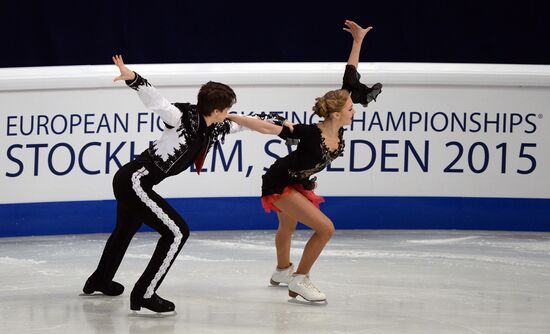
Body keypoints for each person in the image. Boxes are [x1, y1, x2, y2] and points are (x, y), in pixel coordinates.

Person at [82, 55, 284, 314]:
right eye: (227, 109)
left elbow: (246, 124)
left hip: (136, 181)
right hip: (135, 180)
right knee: (177, 232)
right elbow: (157, 101)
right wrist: (132, 78)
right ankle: (145, 293)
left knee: (124, 230)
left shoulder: (213, 128)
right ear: (216, 110)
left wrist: (279, 123)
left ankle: (99, 280)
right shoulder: (182, 118)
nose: (229, 114)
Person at [226, 20, 381, 303]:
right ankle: (299, 280)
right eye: (349, 109)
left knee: (287, 227)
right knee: (325, 228)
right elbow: (267, 128)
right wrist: (231, 117)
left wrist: (357, 41)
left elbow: (350, 76)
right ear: (335, 115)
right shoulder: (310, 133)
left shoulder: (339, 126)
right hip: (279, 182)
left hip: (298, 180)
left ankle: (281, 271)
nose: (353, 110)